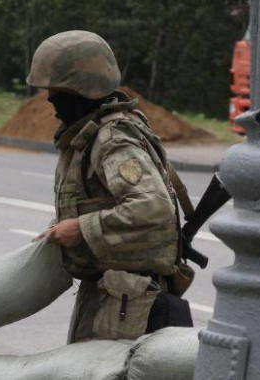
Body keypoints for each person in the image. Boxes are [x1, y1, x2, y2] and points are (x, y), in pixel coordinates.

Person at [28, 30, 189, 343]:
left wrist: (82, 228)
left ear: (80, 90)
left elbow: (152, 205)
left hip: (127, 302)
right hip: (111, 293)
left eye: (56, 90)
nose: (49, 99)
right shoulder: (93, 135)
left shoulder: (112, 139)